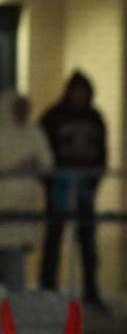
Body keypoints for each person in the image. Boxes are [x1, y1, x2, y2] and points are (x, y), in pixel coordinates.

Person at [38, 71, 108, 312]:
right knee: (54, 240)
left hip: (85, 186)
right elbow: (43, 152)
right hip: (60, 186)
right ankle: (47, 292)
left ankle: (91, 292)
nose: (79, 96)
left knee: (88, 243)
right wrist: (50, 183)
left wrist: (95, 180)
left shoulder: (94, 117)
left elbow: (102, 152)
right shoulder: (54, 117)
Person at [0, 91, 52, 291]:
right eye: (18, 109)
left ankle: (13, 316)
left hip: (22, 217)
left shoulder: (35, 134)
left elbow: (47, 163)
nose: (22, 113)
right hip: (4, 213)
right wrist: (19, 166)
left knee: (15, 277)